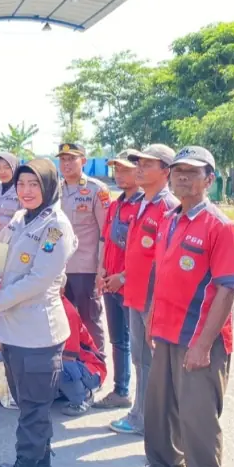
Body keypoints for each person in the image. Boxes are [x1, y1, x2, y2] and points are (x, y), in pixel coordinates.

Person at [128, 146, 234, 467]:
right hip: (166, 331)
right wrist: (151, 318)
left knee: (198, 416)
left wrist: (204, 344)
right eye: (178, 172)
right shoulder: (171, 218)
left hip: (199, 338)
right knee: (160, 407)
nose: (183, 178)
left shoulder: (218, 226)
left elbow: (226, 288)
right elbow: (161, 272)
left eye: (192, 173)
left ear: (209, 179)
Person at [0, 158, 77, 467]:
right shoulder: (20, 218)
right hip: (14, 332)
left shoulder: (56, 227)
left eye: (34, 184)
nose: (27, 191)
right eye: (22, 184)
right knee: (28, 403)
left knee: (33, 409)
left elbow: (38, 280)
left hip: (38, 333)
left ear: (48, 187)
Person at [110, 144, 177, 436]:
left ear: (166, 171)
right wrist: (123, 277)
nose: (139, 168)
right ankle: (140, 412)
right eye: (138, 163)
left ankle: (147, 419)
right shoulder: (143, 203)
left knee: (150, 360)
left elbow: (163, 261)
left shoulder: (167, 207)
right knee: (140, 357)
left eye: (147, 164)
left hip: (152, 297)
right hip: (135, 294)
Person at [93, 150, 140, 410]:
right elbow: (106, 240)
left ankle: (145, 401)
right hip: (111, 282)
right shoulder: (115, 204)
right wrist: (101, 270)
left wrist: (123, 277)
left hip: (132, 285)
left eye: (125, 169)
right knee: (118, 340)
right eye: (116, 170)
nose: (119, 174)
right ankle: (121, 391)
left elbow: (149, 254)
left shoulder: (146, 205)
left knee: (141, 347)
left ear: (139, 170)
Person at [57, 142, 109, 354]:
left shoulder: (96, 190)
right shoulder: (54, 190)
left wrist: (101, 268)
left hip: (86, 268)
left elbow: (105, 233)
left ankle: (97, 364)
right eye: (63, 159)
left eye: (72, 159)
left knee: (90, 319)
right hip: (59, 268)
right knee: (63, 318)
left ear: (84, 161)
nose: (66, 164)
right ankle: (73, 363)